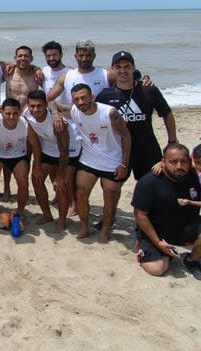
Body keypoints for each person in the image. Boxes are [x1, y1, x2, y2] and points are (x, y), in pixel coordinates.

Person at [131, 143, 201, 280]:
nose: (179, 166)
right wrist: (158, 242)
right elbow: (140, 215)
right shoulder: (148, 182)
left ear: (190, 162)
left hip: (185, 227)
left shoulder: (196, 176)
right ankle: (150, 248)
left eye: (183, 161)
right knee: (157, 269)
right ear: (163, 162)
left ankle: (191, 260)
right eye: (173, 162)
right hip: (158, 231)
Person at [96, 51, 177, 179]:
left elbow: (167, 114)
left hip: (146, 148)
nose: (123, 71)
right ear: (112, 69)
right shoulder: (105, 95)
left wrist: (172, 141)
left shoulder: (149, 90)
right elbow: (92, 117)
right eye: (118, 67)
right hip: (118, 150)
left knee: (153, 185)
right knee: (112, 189)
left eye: (127, 66)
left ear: (133, 68)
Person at [70, 83, 131, 242]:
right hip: (89, 159)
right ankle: (84, 226)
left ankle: (105, 229)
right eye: (76, 99)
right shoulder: (74, 110)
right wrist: (55, 113)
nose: (81, 102)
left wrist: (124, 163)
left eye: (84, 97)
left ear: (92, 97)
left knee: (109, 195)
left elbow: (126, 136)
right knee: (81, 192)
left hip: (112, 161)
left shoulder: (110, 113)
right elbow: (54, 105)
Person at [24, 90, 78, 230]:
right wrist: (36, 166)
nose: (35, 109)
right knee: (36, 179)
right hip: (48, 149)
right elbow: (35, 143)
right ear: (28, 105)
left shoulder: (59, 123)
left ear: (46, 105)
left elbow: (64, 152)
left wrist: (60, 176)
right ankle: (47, 214)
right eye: (32, 106)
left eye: (39, 106)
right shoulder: (27, 114)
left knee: (62, 185)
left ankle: (61, 220)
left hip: (70, 151)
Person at [0, 98, 43, 225]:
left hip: (17, 155)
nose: (11, 117)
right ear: (1, 112)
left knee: (23, 183)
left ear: (20, 112)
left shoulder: (25, 124)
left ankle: (20, 211)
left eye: (15, 113)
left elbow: (36, 145)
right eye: (8, 113)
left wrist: (37, 167)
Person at [41, 41, 71, 105]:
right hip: (48, 111)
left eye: (54, 55)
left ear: (61, 55)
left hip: (65, 112)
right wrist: (36, 69)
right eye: (48, 56)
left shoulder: (70, 73)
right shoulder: (44, 71)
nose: (51, 58)